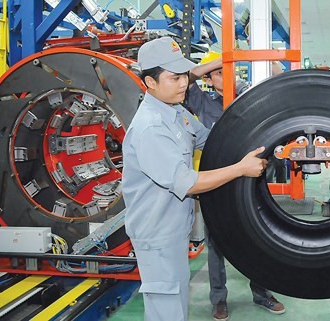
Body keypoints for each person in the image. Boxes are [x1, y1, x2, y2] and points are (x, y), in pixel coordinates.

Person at [122, 37, 268, 321]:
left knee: (177, 303)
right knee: (167, 309)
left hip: (175, 227)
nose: (183, 84)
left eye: (184, 77)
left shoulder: (175, 112)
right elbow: (187, 182)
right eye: (174, 78)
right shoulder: (151, 128)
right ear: (150, 82)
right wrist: (240, 168)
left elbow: (210, 139)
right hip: (157, 234)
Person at [187, 55, 286, 321]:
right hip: (217, 182)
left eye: (230, 71)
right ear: (210, 78)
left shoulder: (247, 97)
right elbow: (189, 77)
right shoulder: (202, 102)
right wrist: (221, 58)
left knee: (259, 238)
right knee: (217, 243)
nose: (226, 76)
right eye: (219, 73)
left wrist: (256, 62)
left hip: (250, 180)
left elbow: (277, 77)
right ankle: (219, 300)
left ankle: (262, 293)